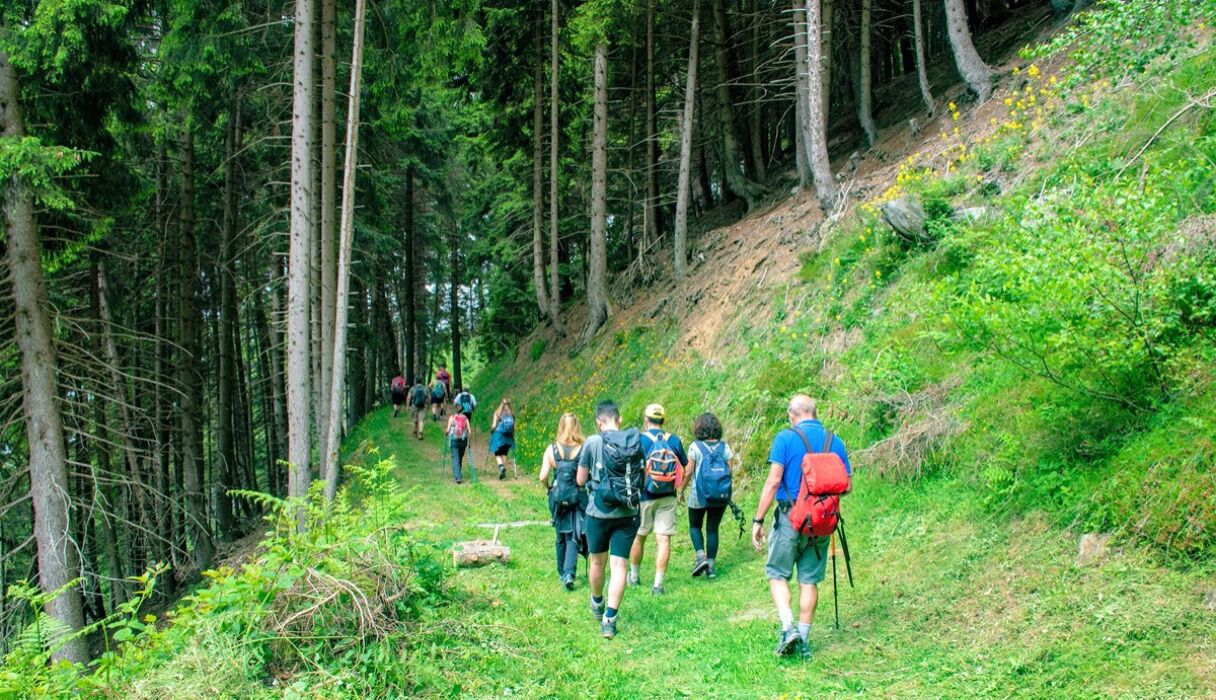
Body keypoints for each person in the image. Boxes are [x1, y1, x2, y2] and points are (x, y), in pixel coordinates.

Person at [752, 395, 851, 660]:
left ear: (791, 415)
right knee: (809, 580)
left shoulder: (785, 439)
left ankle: (788, 628)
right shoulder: (835, 441)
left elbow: (773, 482)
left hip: (790, 518)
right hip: (822, 523)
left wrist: (758, 520)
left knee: (777, 573)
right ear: (815, 413)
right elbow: (847, 485)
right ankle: (804, 641)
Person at [577, 400, 642, 640]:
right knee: (619, 566)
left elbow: (581, 479)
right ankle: (610, 619)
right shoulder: (634, 443)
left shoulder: (593, 442)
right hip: (628, 513)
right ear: (619, 419)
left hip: (598, 512)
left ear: (598, 422)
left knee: (597, 562)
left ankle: (597, 603)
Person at [629, 404, 686, 596]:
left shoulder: (640, 440)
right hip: (668, 497)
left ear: (646, 420)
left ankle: (634, 577)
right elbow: (683, 469)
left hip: (644, 496)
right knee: (664, 541)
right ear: (664, 420)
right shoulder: (674, 440)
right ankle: (658, 585)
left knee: (639, 536)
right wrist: (680, 489)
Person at [682, 412, 736, 580]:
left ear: (699, 428)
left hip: (698, 495)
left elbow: (689, 471)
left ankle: (700, 557)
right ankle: (711, 567)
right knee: (712, 529)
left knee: (694, 526)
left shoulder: (695, 447)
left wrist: (681, 489)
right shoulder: (724, 447)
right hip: (719, 496)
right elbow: (730, 472)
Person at [539, 413, 587, 590]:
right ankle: (569, 573)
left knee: (560, 533)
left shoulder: (551, 449)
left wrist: (549, 488)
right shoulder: (583, 448)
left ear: (560, 426)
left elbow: (542, 476)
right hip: (577, 495)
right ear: (577, 427)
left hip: (558, 497)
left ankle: (561, 572)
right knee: (574, 534)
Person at [489, 398, 516, 480]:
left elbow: (494, 426)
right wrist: (513, 435)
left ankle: (501, 467)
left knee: (497, 453)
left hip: (499, 435)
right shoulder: (511, 414)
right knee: (504, 453)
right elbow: (514, 427)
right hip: (508, 436)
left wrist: (492, 430)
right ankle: (503, 471)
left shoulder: (497, 413)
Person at [445, 410, 472, 484]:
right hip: (463, 441)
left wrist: (446, 433)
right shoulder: (465, 419)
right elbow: (469, 432)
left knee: (455, 458)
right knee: (459, 457)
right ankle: (458, 473)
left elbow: (447, 430)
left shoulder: (452, 417)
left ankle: (458, 477)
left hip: (454, 440)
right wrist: (469, 443)